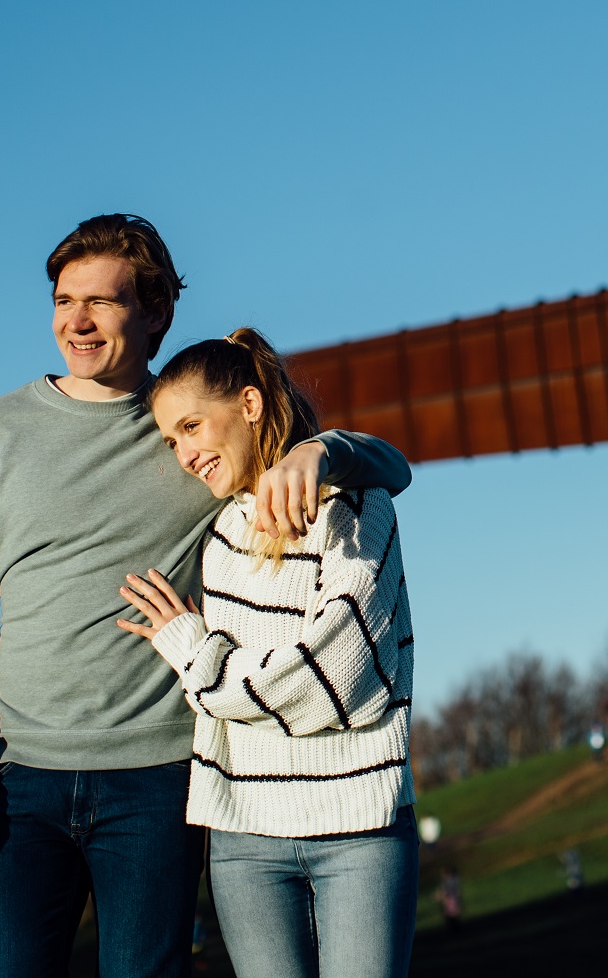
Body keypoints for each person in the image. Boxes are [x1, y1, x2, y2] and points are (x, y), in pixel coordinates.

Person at [0, 215, 411, 978]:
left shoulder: (188, 431)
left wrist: (319, 446)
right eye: (64, 299)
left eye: (101, 303)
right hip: (21, 780)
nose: (76, 320)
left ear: (156, 315)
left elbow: (384, 468)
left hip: (160, 783)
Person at [118, 328, 418, 978]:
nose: (185, 453)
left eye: (193, 426)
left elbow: (333, 681)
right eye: (172, 440)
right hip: (243, 839)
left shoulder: (356, 508)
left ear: (250, 405)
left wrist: (195, 655)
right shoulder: (221, 535)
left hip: (357, 827)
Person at [434, 869, 463, 934]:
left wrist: (439, 896)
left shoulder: (449, 882)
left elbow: (446, 892)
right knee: (451, 916)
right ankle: (454, 928)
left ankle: (455, 929)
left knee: (452, 915)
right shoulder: (447, 881)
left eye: (443, 874)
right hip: (450, 901)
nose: (442, 876)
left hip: (451, 901)